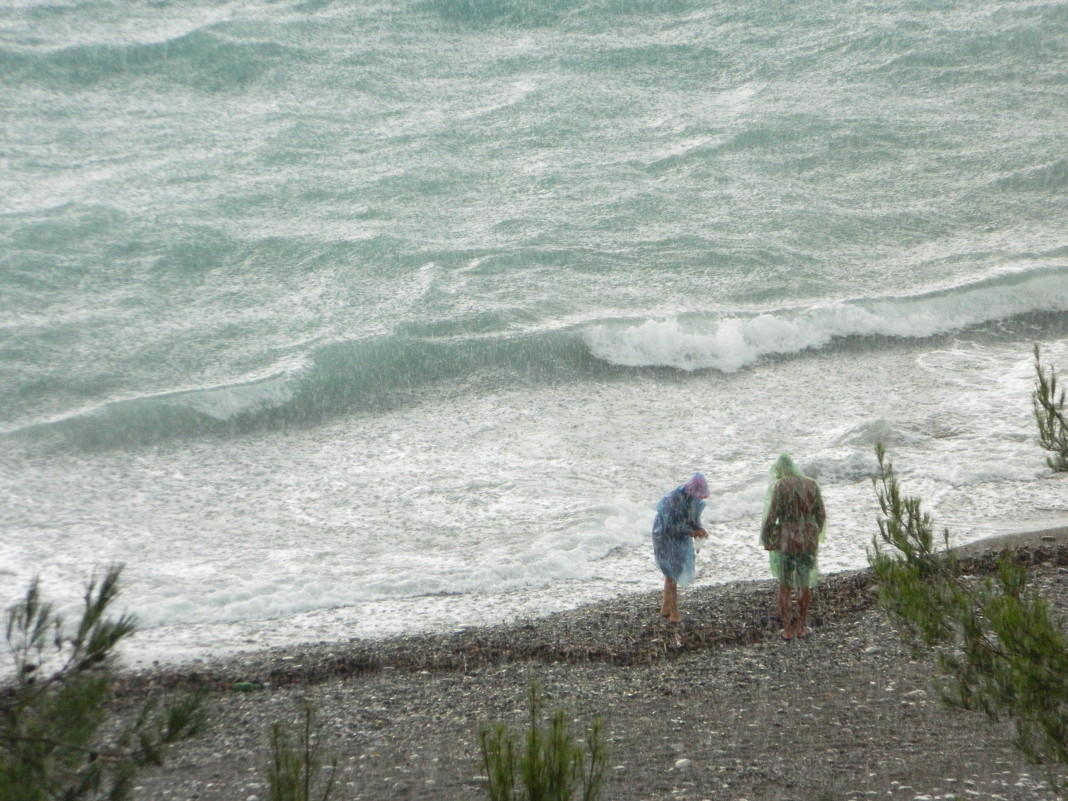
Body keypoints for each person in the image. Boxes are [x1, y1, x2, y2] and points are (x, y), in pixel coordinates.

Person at [759, 454, 826, 640]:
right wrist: (813, 532)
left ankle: (788, 629)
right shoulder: (811, 484)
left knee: (785, 585)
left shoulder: (780, 486)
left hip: (787, 539)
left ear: (779, 470)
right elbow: (821, 514)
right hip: (808, 538)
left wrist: (767, 538)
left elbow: (771, 516)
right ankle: (802, 626)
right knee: (804, 584)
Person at [652, 473, 709, 623]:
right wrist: (691, 532)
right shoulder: (674, 499)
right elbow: (669, 526)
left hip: (680, 535)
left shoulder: (693, 500)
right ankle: (674, 613)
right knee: (671, 572)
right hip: (664, 536)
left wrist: (699, 530)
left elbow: (693, 520)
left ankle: (665, 607)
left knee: (673, 571)